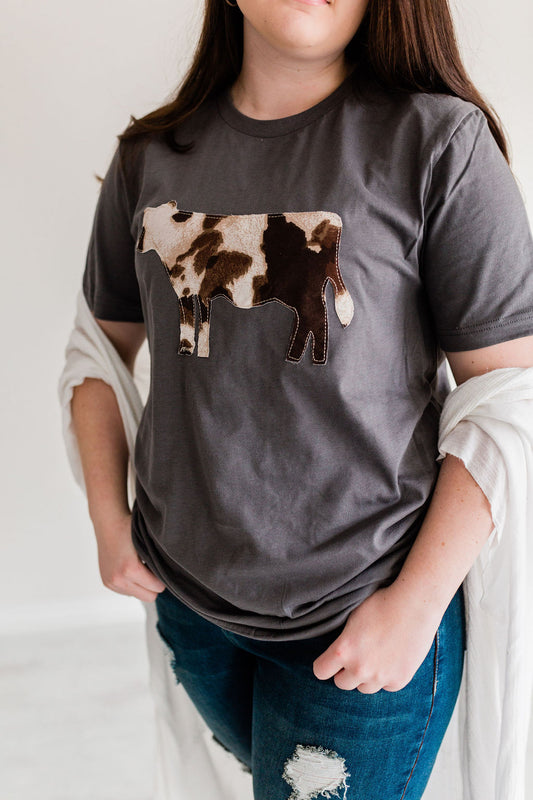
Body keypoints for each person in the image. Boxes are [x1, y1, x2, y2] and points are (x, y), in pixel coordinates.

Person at [70, 1, 533, 798]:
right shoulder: (150, 155)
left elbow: (510, 396)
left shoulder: (436, 142)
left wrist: (414, 605)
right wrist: (110, 521)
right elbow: (96, 355)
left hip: (362, 614)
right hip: (190, 607)